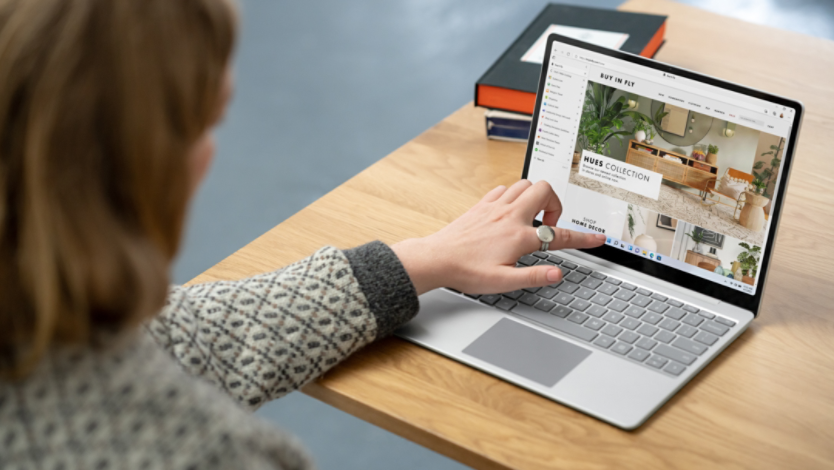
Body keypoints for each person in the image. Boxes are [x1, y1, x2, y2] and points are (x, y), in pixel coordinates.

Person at [0, 0, 604, 468]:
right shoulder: (202, 454)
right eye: (203, 123)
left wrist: (425, 258)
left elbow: (172, 336)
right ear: (136, 161)